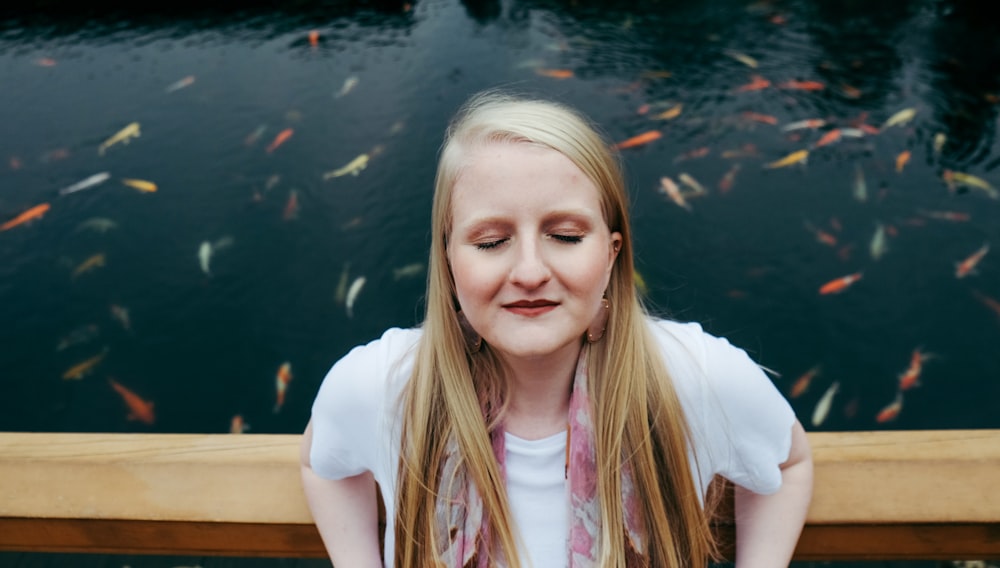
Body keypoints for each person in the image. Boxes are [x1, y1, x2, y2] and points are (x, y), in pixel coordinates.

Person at [300, 89, 813, 568]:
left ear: (612, 255)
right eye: (490, 241)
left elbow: (788, 463)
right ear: (448, 260)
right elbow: (320, 464)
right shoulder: (383, 386)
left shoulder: (695, 377)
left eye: (565, 235)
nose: (529, 271)